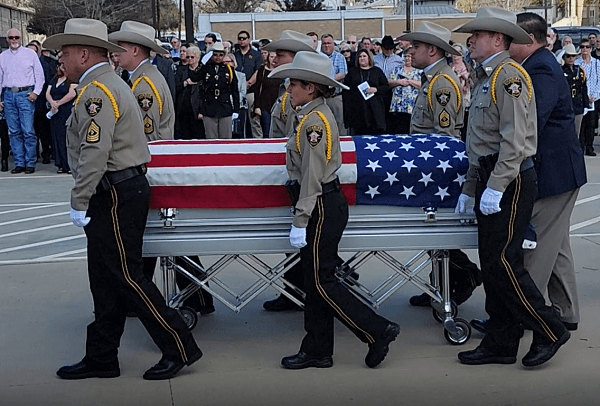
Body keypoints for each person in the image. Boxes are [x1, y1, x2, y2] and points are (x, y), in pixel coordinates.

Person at [44, 17, 202, 381]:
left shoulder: (97, 91)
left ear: (83, 54)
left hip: (114, 192)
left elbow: (94, 152)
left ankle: (179, 346)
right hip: (116, 190)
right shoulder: (102, 84)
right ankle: (101, 356)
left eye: (65, 53)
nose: (60, 61)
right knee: (104, 278)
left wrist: (79, 199)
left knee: (127, 276)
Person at [453, 7, 570, 367]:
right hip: (491, 176)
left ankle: (550, 328)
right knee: (491, 264)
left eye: (479, 34)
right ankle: (501, 341)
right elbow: (480, 141)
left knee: (505, 262)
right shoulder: (488, 76)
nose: (471, 40)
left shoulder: (509, 77)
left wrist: (496, 186)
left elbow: (516, 142)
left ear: (499, 39)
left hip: (511, 178)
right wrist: (473, 187)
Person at [270, 51, 400, 369]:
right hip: (322, 203)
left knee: (320, 281)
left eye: (294, 84)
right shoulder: (310, 114)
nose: (289, 89)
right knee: (315, 282)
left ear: (311, 88)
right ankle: (317, 348)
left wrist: (301, 218)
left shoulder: (314, 122)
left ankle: (377, 330)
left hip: (321, 205)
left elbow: (313, 176)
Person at [398, 22, 481, 307]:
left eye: (416, 46)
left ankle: (462, 276)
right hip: (426, 167)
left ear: (432, 50)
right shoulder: (432, 80)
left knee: (437, 232)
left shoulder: (442, 84)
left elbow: (443, 138)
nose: (411, 51)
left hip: (436, 171)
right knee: (431, 234)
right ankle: (440, 285)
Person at [261, 30, 318, 311]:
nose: (274, 58)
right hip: (288, 176)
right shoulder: (287, 93)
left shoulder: (313, 100)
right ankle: (293, 290)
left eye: (281, 55)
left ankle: (310, 290)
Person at [0, 28, 45, 174]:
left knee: (27, 130)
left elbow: (39, 75)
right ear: (7, 39)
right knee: (13, 131)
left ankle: (30, 162)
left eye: (16, 37)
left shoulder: (30, 54)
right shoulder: (3, 56)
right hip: (8, 94)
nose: (14, 40)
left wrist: (36, 92)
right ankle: (19, 163)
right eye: (11, 38)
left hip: (25, 93)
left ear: (21, 39)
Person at [342, 49, 389, 135]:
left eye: (364, 56)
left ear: (369, 58)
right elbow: (346, 90)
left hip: (374, 110)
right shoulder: (352, 72)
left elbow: (386, 87)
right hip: (357, 110)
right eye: (360, 57)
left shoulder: (377, 71)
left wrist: (376, 89)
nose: (362, 58)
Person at [199, 42, 239, 139]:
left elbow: (234, 90)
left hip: (224, 107)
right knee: (211, 138)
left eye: (221, 55)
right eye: (215, 54)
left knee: (226, 138)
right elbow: (195, 78)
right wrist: (202, 62)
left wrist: (236, 109)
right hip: (209, 107)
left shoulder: (228, 69)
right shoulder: (206, 68)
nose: (218, 57)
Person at [45, 58, 76, 174]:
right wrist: (52, 103)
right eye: (59, 65)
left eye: (63, 65)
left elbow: (72, 94)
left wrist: (58, 103)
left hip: (66, 110)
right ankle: (61, 164)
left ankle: (68, 164)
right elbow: (48, 93)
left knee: (66, 137)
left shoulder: (71, 79)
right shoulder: (54, 79)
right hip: (55, 112)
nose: (60, 67)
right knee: (57, 137)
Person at [234, 30, 263, 138]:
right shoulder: (235, 54)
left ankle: (258, 140)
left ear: (249, 40)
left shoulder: (256, 55)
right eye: (240, 38)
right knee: (239, 118)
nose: (242, 41)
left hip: (251, 90)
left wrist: (249, 82)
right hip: (237, 91)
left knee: (253, 118)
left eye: (244, 38)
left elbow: (258, 70)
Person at [575, 38, 600, 156]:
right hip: (581, 97)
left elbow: (599, 80)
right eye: (582, 47)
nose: (585, 49)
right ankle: (581, 146)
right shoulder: (577, 63)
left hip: (594, 98)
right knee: (582, 123)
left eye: (587, 47)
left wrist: (594, 95)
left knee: (591, 123)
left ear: (591, 49)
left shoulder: (596, 63)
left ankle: (589, 147)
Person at [388, 52, 422, 134]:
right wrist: (399, 82)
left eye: (409, 56)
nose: (407, 58)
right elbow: (388, 82)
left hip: (412, 108)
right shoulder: (397, 69)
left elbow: (423, 85)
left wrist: (410, 81)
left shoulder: (419, 70)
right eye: (405, 56)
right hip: (398, 107)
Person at [175, 45, 204, 139]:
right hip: (183, 107)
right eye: (188, 57)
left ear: (198, 57)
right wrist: (185, 83)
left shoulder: (203, 70)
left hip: (197, 107)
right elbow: (175, 86)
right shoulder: (181, 70)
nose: (190, 59)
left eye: (192, 57)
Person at [320, 33, 346, 133]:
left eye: (329, 43)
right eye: (324, 43)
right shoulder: (317, 57)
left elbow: (343, 73)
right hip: (321, 97)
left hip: (335, 96)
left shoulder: (340, 57)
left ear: (333, 44)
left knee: (339, 124)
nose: (326, 45)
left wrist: (328, 79)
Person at [562, 44, 589, 140]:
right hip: (565, 105)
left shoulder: (580, 70)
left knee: (576, 133)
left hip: (578, 104)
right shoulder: (561, 70)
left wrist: (586, 105)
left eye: (573, 56)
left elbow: (583, 88)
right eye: (568, 56)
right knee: (566, 133)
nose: (571, 58)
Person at [450, 43, 476, 142]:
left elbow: (475, 83)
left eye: (458, 53)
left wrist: (467, 80)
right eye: (454, 53)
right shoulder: (448, 68)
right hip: (453, 102)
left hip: (466, 102)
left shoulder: (469, 68)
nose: (455, 56)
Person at [252, 51, 279, 137]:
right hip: (265, 104)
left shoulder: (282, 71)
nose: (274, 59)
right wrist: (257, 106)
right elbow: (257, 88)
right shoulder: (262, 70)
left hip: (277, 104)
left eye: (276, 57)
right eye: (271, 57)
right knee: (266, 130)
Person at [223, 52, 248, 139]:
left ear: (233, 62)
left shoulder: (241, 76)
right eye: (224, 62)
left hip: (238, 106)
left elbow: (242, 92)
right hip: (224, 108)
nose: (226, 64)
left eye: (228, 61)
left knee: (238, 133)